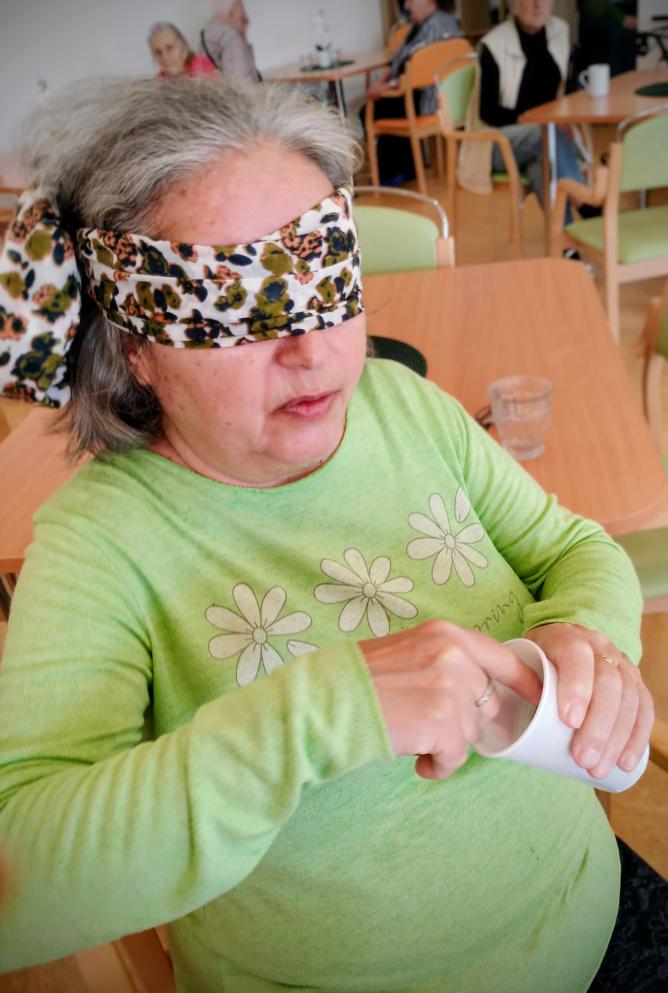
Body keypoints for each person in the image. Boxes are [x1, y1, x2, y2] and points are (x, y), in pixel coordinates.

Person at [0, 75, 657, 993]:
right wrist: (323, 715)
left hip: (595, 911)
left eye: (326, 280)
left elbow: (574, 549)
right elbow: (19, 881)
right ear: (135, 346)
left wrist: (585, 634)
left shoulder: (406, 407)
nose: (310, 349)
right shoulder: (101, 543)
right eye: (237, 306)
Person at [462, 0, 594, 222]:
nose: (537, 5)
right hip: (495, 141)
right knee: (545, 134)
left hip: (544, 141)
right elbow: (488, 112)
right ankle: (584, 202)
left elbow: (563, 88)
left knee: (541, 169)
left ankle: (564, 238)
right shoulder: (494, 45)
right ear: (514, 6)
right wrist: (529, 120)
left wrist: (563, 117)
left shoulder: (559, 31)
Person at [365, 0, 461, 183]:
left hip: (428, 97)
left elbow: (419, 70)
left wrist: (387, 85)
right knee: (385, 105)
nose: (407, 7)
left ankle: (394, 171)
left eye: (410, 0)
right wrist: (385, 78)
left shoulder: (436, 26)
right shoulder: (426, 24)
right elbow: (400, 60)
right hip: (429, 94)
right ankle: (406, 167)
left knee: (375, 110)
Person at [200, 0, 260, 82]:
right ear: (232, 12)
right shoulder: (231, 38)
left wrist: (243, 35)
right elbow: (243, 83)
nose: (246, 17)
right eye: (242, 9)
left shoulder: (206, 33)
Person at [148, 22, 216, 78]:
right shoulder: (159, 79)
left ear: (183, 47)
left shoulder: (200, 65)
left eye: (170, 48)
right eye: (158, 52)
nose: (165, 57)